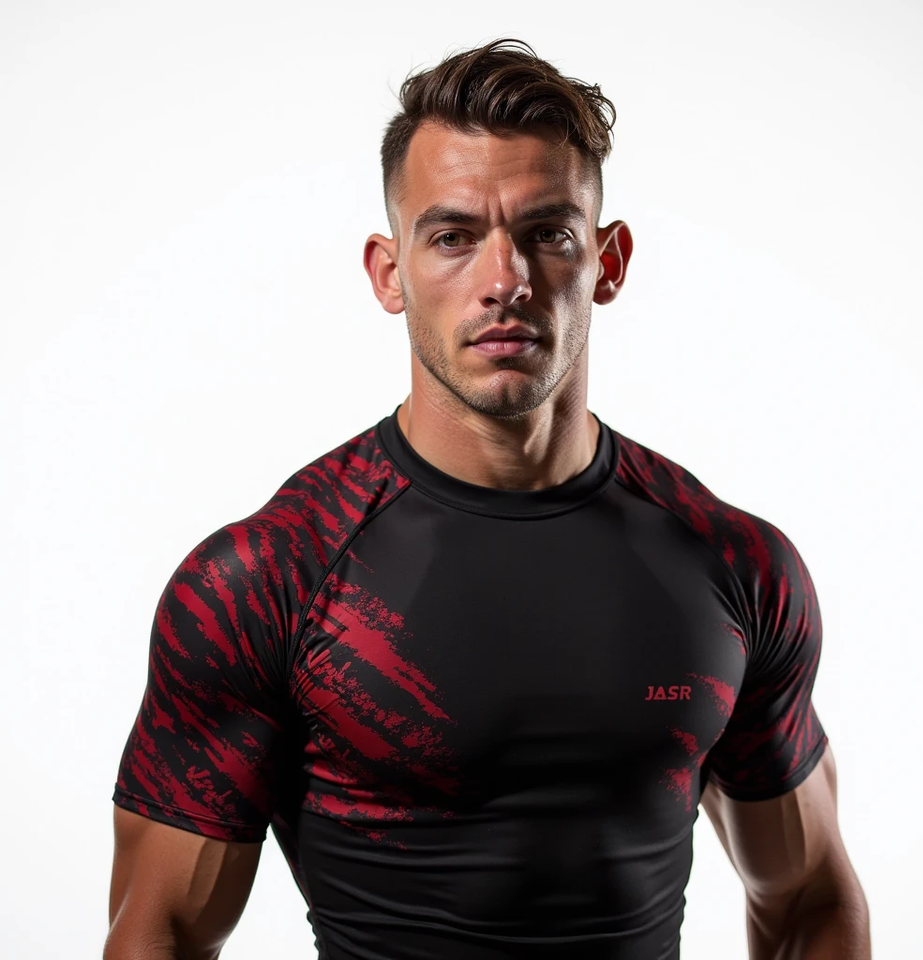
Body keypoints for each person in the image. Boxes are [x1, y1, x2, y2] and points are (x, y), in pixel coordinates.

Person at [105, 38, 870, 960]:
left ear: (608, 262)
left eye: (548, 233)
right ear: (389, 273)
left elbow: (808, 898)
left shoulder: (734, 566)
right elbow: (161, 933)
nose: (504, 281)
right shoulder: (266, 581)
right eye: (453, 237)